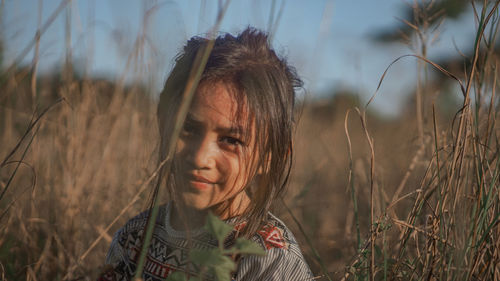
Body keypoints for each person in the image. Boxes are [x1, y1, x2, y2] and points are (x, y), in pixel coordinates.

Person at [99, 27, 313, 281]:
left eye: (231, 140)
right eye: (187, 128)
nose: (200, 158)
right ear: (163, 123)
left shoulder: (270, 259)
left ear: (270, 156)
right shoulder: (135, 238)